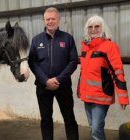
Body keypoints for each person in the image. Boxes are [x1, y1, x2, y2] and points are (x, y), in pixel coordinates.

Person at [28, 7, 79, 140]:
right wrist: (45, 80)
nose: (50, 21)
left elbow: (73, 61)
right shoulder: (36, 40)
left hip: (63, 86)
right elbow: (32, 63)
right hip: (43, 87)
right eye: (47, 19)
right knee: (46, 119)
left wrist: (58, 79)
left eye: (53, 19)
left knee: (69, 118)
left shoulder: (68, 38)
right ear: (44, 21)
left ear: (58, 20)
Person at [78, 15, 129, 140]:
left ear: (103, 28)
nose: (93, 29)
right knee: (92, 127)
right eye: (90, 27)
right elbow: (83, 71)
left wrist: (123, 98)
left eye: (97, 26)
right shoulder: (85, 46)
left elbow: (117, 72)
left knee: (96, 129)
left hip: (101, 96)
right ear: (87, 29)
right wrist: (80, 90)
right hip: (87, 96)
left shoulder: (109, 46)